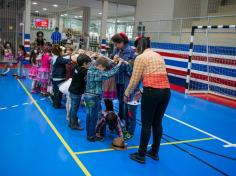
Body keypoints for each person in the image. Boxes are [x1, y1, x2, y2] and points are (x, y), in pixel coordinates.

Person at [124, 37, 171, 164]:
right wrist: (143, 91)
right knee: (157, 123)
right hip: (166, 92)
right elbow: (159, 75)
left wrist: (126, 93)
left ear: (139, 47)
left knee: (146, 124)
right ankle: (154, 152)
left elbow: (134, 79)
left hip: (152, 93)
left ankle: (141, 155)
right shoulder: (159, 56)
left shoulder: (140, 58)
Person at [84, 56, 123, 142]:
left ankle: (89, 133)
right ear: (100, 65)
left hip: (88, 96)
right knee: (93, 117)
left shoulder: (92, 68)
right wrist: (119, 64)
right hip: (93, 98)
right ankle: (91, 136)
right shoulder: (96, 73)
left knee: (89, 115)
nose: (104, 70)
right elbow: (109, 74)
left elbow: (102, 61)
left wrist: (113, 61)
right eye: (104, 68)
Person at [111, 32, 135, 123]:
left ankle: (125, 120)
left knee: (124, 101)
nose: (115, 46)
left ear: (122, 42)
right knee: (120, 99)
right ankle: (121, 116)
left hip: (125, 79)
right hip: (117, 78)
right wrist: (114, 57)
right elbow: (112, 56)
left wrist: (118, 61)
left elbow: (126, 66)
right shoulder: (117, 49)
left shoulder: (129, 50)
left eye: (117, 44)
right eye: (115, 44)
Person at [69, 54, 92, 130]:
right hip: (76, 92)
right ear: (84, 63)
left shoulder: (77, 67)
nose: (90, 65)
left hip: (73, 90)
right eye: (89, 63)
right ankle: (74, 125)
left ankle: (71, 122)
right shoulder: (83, 70)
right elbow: (92, 71)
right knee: (74, 109)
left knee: (73, 108)